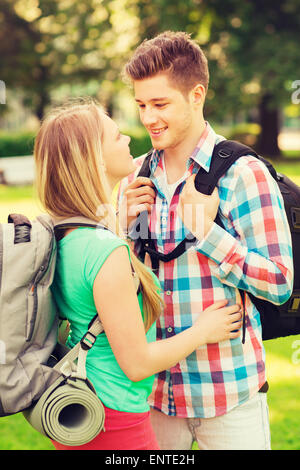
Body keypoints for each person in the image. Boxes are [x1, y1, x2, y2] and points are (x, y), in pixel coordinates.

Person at [118, 31, 294, 450]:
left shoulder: (243, 173)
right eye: (141, 105)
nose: (148, 118)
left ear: (196, 95)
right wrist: (123, 230)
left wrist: (209, 234)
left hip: (230, 396)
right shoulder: (136, 177)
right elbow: (126, 285)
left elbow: (281, 283)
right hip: (157, 395)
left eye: (161, 104)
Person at [33, 99, 243, 451]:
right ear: (94, 159)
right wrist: (203, 331)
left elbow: (96, 295)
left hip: (81, 407)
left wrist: (124, 229)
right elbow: (137, 364)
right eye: (116, 136)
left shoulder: (66, 235)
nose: (129, 139)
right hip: (114, 421)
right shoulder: (105, 251)